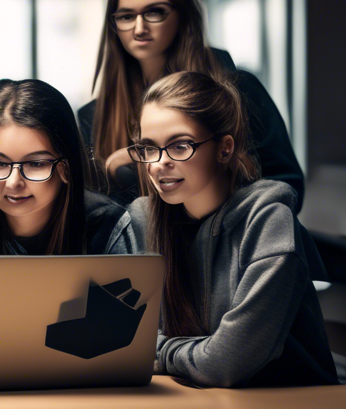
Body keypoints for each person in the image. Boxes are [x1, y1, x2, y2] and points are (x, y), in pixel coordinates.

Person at [128, 70, 335, 388]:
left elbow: (226, 363)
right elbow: (123, 340)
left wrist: (160, 350)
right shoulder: (143, 219)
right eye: (149, 148)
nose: (158, 165)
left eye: (180, 146)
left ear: (224, 148)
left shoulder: (269, 224)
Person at [0, 79, 138, 376]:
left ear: (66, 167)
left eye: (35, 164)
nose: (13, 183)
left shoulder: (108, 224)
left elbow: (130, 336)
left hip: (80, 395)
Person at [78, 0, 304, 210]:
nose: (139, 28)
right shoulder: (95, 116)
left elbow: (287, 187)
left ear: (182, 13)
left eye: (154, 12)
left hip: (231, 245)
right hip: (145, 248)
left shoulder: (238, 90)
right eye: (127, 16)